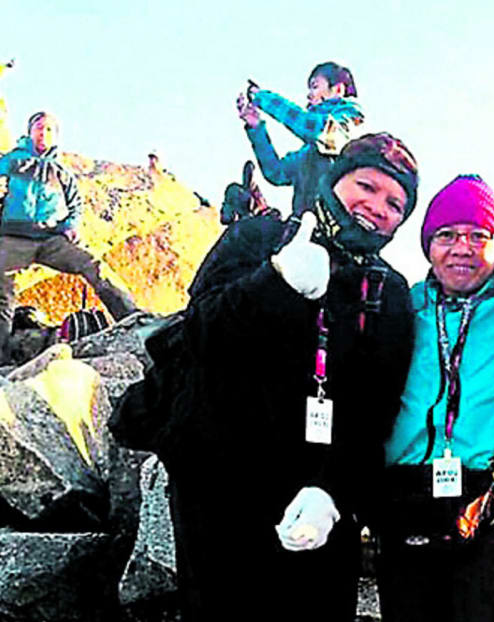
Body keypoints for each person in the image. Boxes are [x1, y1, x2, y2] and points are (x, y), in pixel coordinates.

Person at [142, 133, 418, 621]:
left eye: (395, 204)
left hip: (313, 501)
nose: (377, 207)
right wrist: (275, 281)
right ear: (336, 181)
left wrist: (333, 492)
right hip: (217, 489)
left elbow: (375, 412)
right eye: (366, 186)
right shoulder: (258, 237)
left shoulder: (388, 292)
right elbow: (200, 333)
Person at [377, 175, 494, 622]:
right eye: (447, 235)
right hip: (407, 497)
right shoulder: (404, 304)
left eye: (479, 236)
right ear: (428, 246)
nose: (462, 248)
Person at [0, 111, 137, 363]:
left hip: (51, 239)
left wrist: (71, 225)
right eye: (39, 128)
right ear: (29, 132)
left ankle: (132, 318)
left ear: (56, 136)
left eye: (49, 130)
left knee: (93, 265)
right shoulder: (13, 160)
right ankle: (2, 354)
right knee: (3, 293)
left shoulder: (61, 170)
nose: (43, 133)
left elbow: (75, 204)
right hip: (14, 237)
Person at [236, 61, 364, 220]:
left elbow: (316, 130)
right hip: (306, 223)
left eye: (315, 87)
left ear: (338, 89)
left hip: (339, 223)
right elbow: (276, 172)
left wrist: (264, 98)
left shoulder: (351, 121)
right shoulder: (309, 152)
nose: (309, 95)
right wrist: (256, 127)